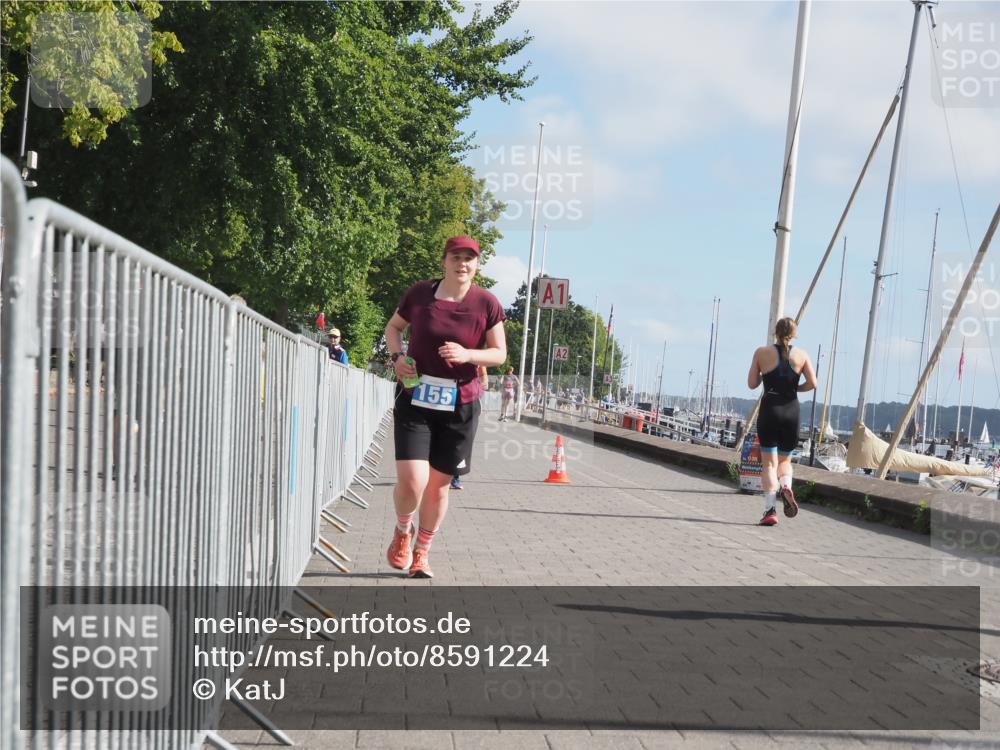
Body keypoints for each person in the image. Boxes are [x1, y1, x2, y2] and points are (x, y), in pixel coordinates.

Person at [384, 236, 506, 578]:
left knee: (437, 485)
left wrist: (469, 355)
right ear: (444, 260)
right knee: (412, 482)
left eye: (469, 258)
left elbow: (499, 353)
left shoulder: (487, 303)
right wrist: (398, 358)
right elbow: (393, 328)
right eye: (456, 256)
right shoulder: (420, 294)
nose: (462, 263)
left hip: (460, 405)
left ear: (477, 264)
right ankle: (402, 533)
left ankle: (422, 552)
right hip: (415, 397)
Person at [747, 317, 817, 527]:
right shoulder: (802, 355)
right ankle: (786, 486)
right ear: (794, 334)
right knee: (785, 462)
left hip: (770, 408)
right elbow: (813, 383)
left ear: (775, 333)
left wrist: (763, 375)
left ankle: (770, 510)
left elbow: (751, 383)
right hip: (791, 410)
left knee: (769, 463)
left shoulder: (761, 352)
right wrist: (795, 388)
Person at [451, 365, 489, 491]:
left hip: (467, 400)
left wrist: (482, 384)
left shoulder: (475, 356)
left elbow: (484, 376)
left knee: (460, 440)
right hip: (443, 397)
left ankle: (455, 476)